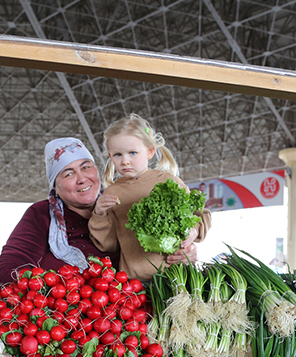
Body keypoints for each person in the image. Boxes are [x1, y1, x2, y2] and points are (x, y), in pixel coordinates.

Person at [88, 113, 211, 282]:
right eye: (118, 155)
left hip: (176, 275)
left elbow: (201, 214)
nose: (125, 161)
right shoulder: (111, 194)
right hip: (135, 284)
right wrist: (99, 214)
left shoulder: (169, 182)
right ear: (110, 156)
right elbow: (109, 245)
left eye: (132, 153)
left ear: (150, 151)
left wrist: (194, 231)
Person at [0, 138, 119, 284]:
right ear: (55, 189)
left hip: (130, 303)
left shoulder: (119, 207)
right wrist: (49, 292)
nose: (82, 179)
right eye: (69, 174)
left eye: (86, 167)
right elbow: (8, 269)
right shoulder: (41, 214)